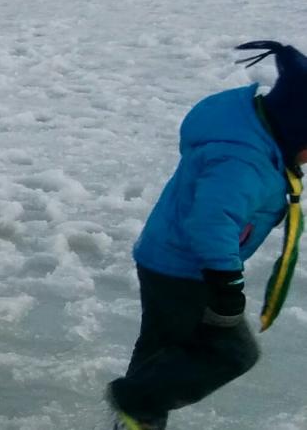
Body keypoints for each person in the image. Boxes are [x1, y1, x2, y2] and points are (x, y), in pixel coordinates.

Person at [107, 41, 307, 429]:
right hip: (186, 269)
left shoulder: (256, 138)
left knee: (160, 356)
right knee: (232, 352)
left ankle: (136, 416)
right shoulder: (243, 160)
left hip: (167, 255)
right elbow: (212, 222)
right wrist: (226, 288)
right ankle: (134, 401)